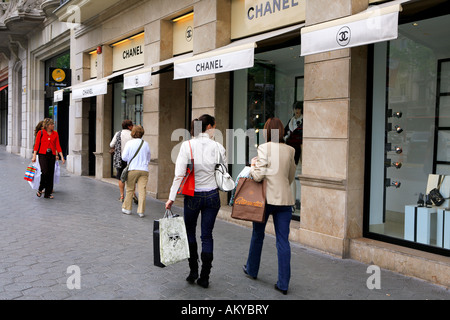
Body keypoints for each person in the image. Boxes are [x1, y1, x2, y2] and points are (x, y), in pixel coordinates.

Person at [165, 114, 226, 289]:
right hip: (213, 195)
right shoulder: (218, 147)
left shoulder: (187, 146)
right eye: (214, 126)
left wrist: (171, 198)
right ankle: (205, 276)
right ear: (209, 127)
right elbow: (223, 172)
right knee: (207, 235)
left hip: (193, 196)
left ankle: (193, 271)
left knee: (190, 232)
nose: (215, 130)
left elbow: (179, 174)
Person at [243, 117, 296, 295]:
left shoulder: (264, 148)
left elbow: (258, 176)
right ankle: (283, 284)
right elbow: (290, 177)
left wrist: (252, 165)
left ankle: (251, 270)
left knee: (258, 235)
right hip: (284, 200)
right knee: (283, 241)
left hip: (265, 200)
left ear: (266, 132)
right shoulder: (290, 150)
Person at [121, 125, 151, 218]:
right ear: (142, 133)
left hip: (132, 169)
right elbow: (148, 157)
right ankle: (141, 211)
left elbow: (124, 157)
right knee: (142, 191)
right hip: (144, 170)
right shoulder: (145, 144)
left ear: (133, 133)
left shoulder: (129, 143)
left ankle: (127, 209)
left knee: (130, 189)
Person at [31, 118, 65, 199]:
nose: (53, 125)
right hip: (42, 154)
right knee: (45, 172)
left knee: (50, 173)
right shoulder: (41, 133)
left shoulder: (55, 134)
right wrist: (34, 156)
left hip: (51, 155)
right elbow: (36, 145)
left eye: (53, 124)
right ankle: (40, 189)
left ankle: (48, 193)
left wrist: (62, 157)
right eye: (51, 124)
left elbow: (58, 145)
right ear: (47, 126)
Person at [110, 120, 135, 202]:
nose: (133, 126)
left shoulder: (118, 133)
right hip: (130, 159)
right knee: (131, 178)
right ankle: (133, 195)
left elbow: (111, 144)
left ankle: (122, 196)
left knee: (121, 177)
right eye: (132, 125)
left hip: (120, 159)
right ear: (129, 126)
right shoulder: (132, 134)